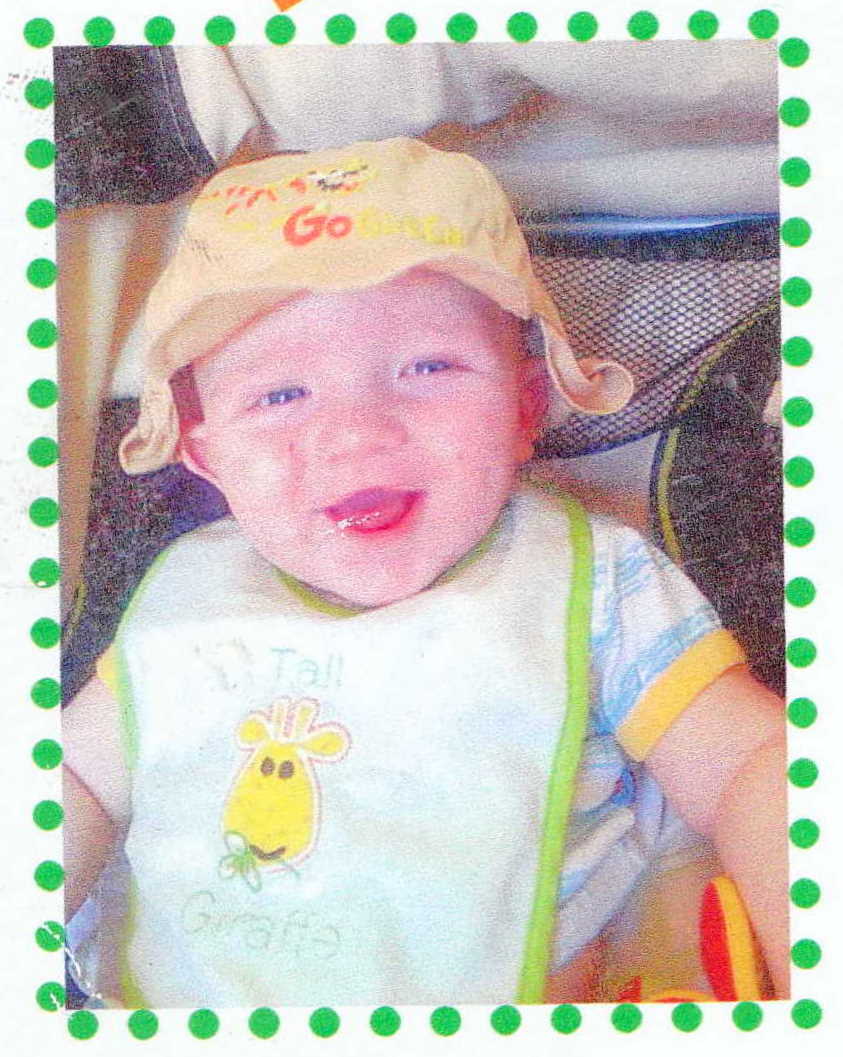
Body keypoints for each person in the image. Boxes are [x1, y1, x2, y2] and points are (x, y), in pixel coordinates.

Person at [63, 138, 786, 1008]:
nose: (356, 432)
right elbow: (72, 786)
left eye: (428, 366)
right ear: (207, 457)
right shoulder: (187, 609)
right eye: (280, 395)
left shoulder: (595, 585)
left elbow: (753, 763)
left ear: (524, 407)